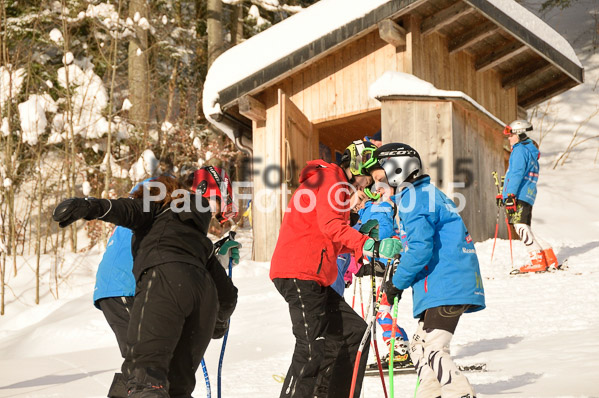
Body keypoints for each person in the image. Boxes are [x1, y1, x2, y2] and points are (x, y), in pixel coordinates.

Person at [53, 175, 238, 398]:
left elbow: (126, 209)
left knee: (146, 373)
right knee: (169, 381)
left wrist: (88, 205)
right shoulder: (172, 209)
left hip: (160, 281)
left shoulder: (166, 211)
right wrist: (217, 319)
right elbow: (227, 295)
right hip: (125, 287)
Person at [270, 140, 403, 398]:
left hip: (313, 275)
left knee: (354, 334)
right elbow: (331, 226)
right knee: (311, 348)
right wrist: (367, 244)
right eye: (370, 178)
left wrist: (361, 242)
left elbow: (327, 239)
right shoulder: (332, 179)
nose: (369, 187)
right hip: (300, 272)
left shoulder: (334, 185)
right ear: (357, 166)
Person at [368, 142, 485, 398]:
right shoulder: (420, 194)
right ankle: (430, 393)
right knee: (419, 349)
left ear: (397, 169)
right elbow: (417, 244)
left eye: (381, 177)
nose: (378, 186)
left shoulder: (414, 197)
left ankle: (460, 392)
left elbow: (421, 248)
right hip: (440, 284)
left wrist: (396, 283)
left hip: (447, 283)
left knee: (432, 347)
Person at [501, 120, 559, 272]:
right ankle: (549, 257)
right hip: (527, 194)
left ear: (519, 134)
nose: (509, 138)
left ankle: (537, 261)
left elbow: (516, 174)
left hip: (519, 194)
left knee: (520, 227)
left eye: (511, 135)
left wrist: (509, 195)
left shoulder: (520, 151)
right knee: (525, 227)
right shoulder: (529, 151)